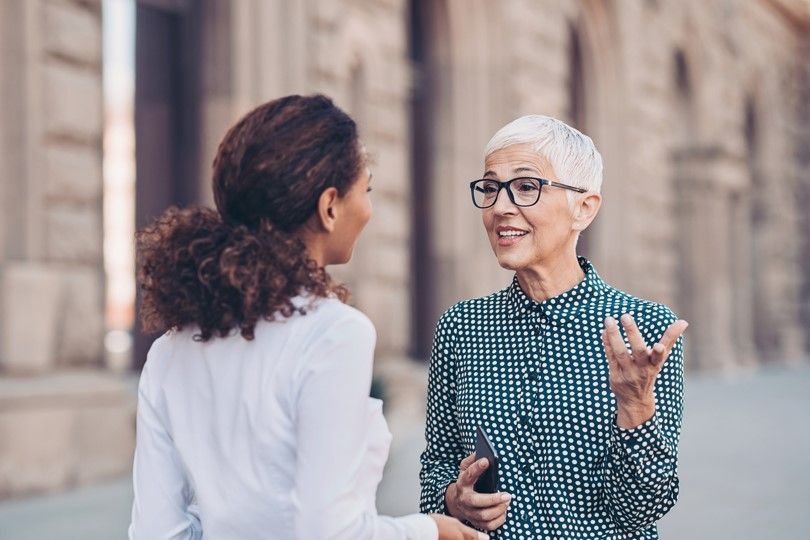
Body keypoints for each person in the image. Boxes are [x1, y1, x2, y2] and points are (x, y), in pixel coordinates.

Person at [129, 94, 486, 540]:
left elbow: (157, 531)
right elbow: (331, 532)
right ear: (330, 205)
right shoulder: (335, 333)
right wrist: (430, 530)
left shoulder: (169, 350)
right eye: (367, 189)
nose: (369, 209)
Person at [419, 115, 689, 539]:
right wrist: (454, 498)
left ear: (583, 208)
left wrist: (636, 407)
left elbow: (643, 510)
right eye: (490, 188)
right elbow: (436, 465)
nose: (501, 207)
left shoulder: (645, 330)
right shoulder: (461, 326)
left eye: (526, 187)